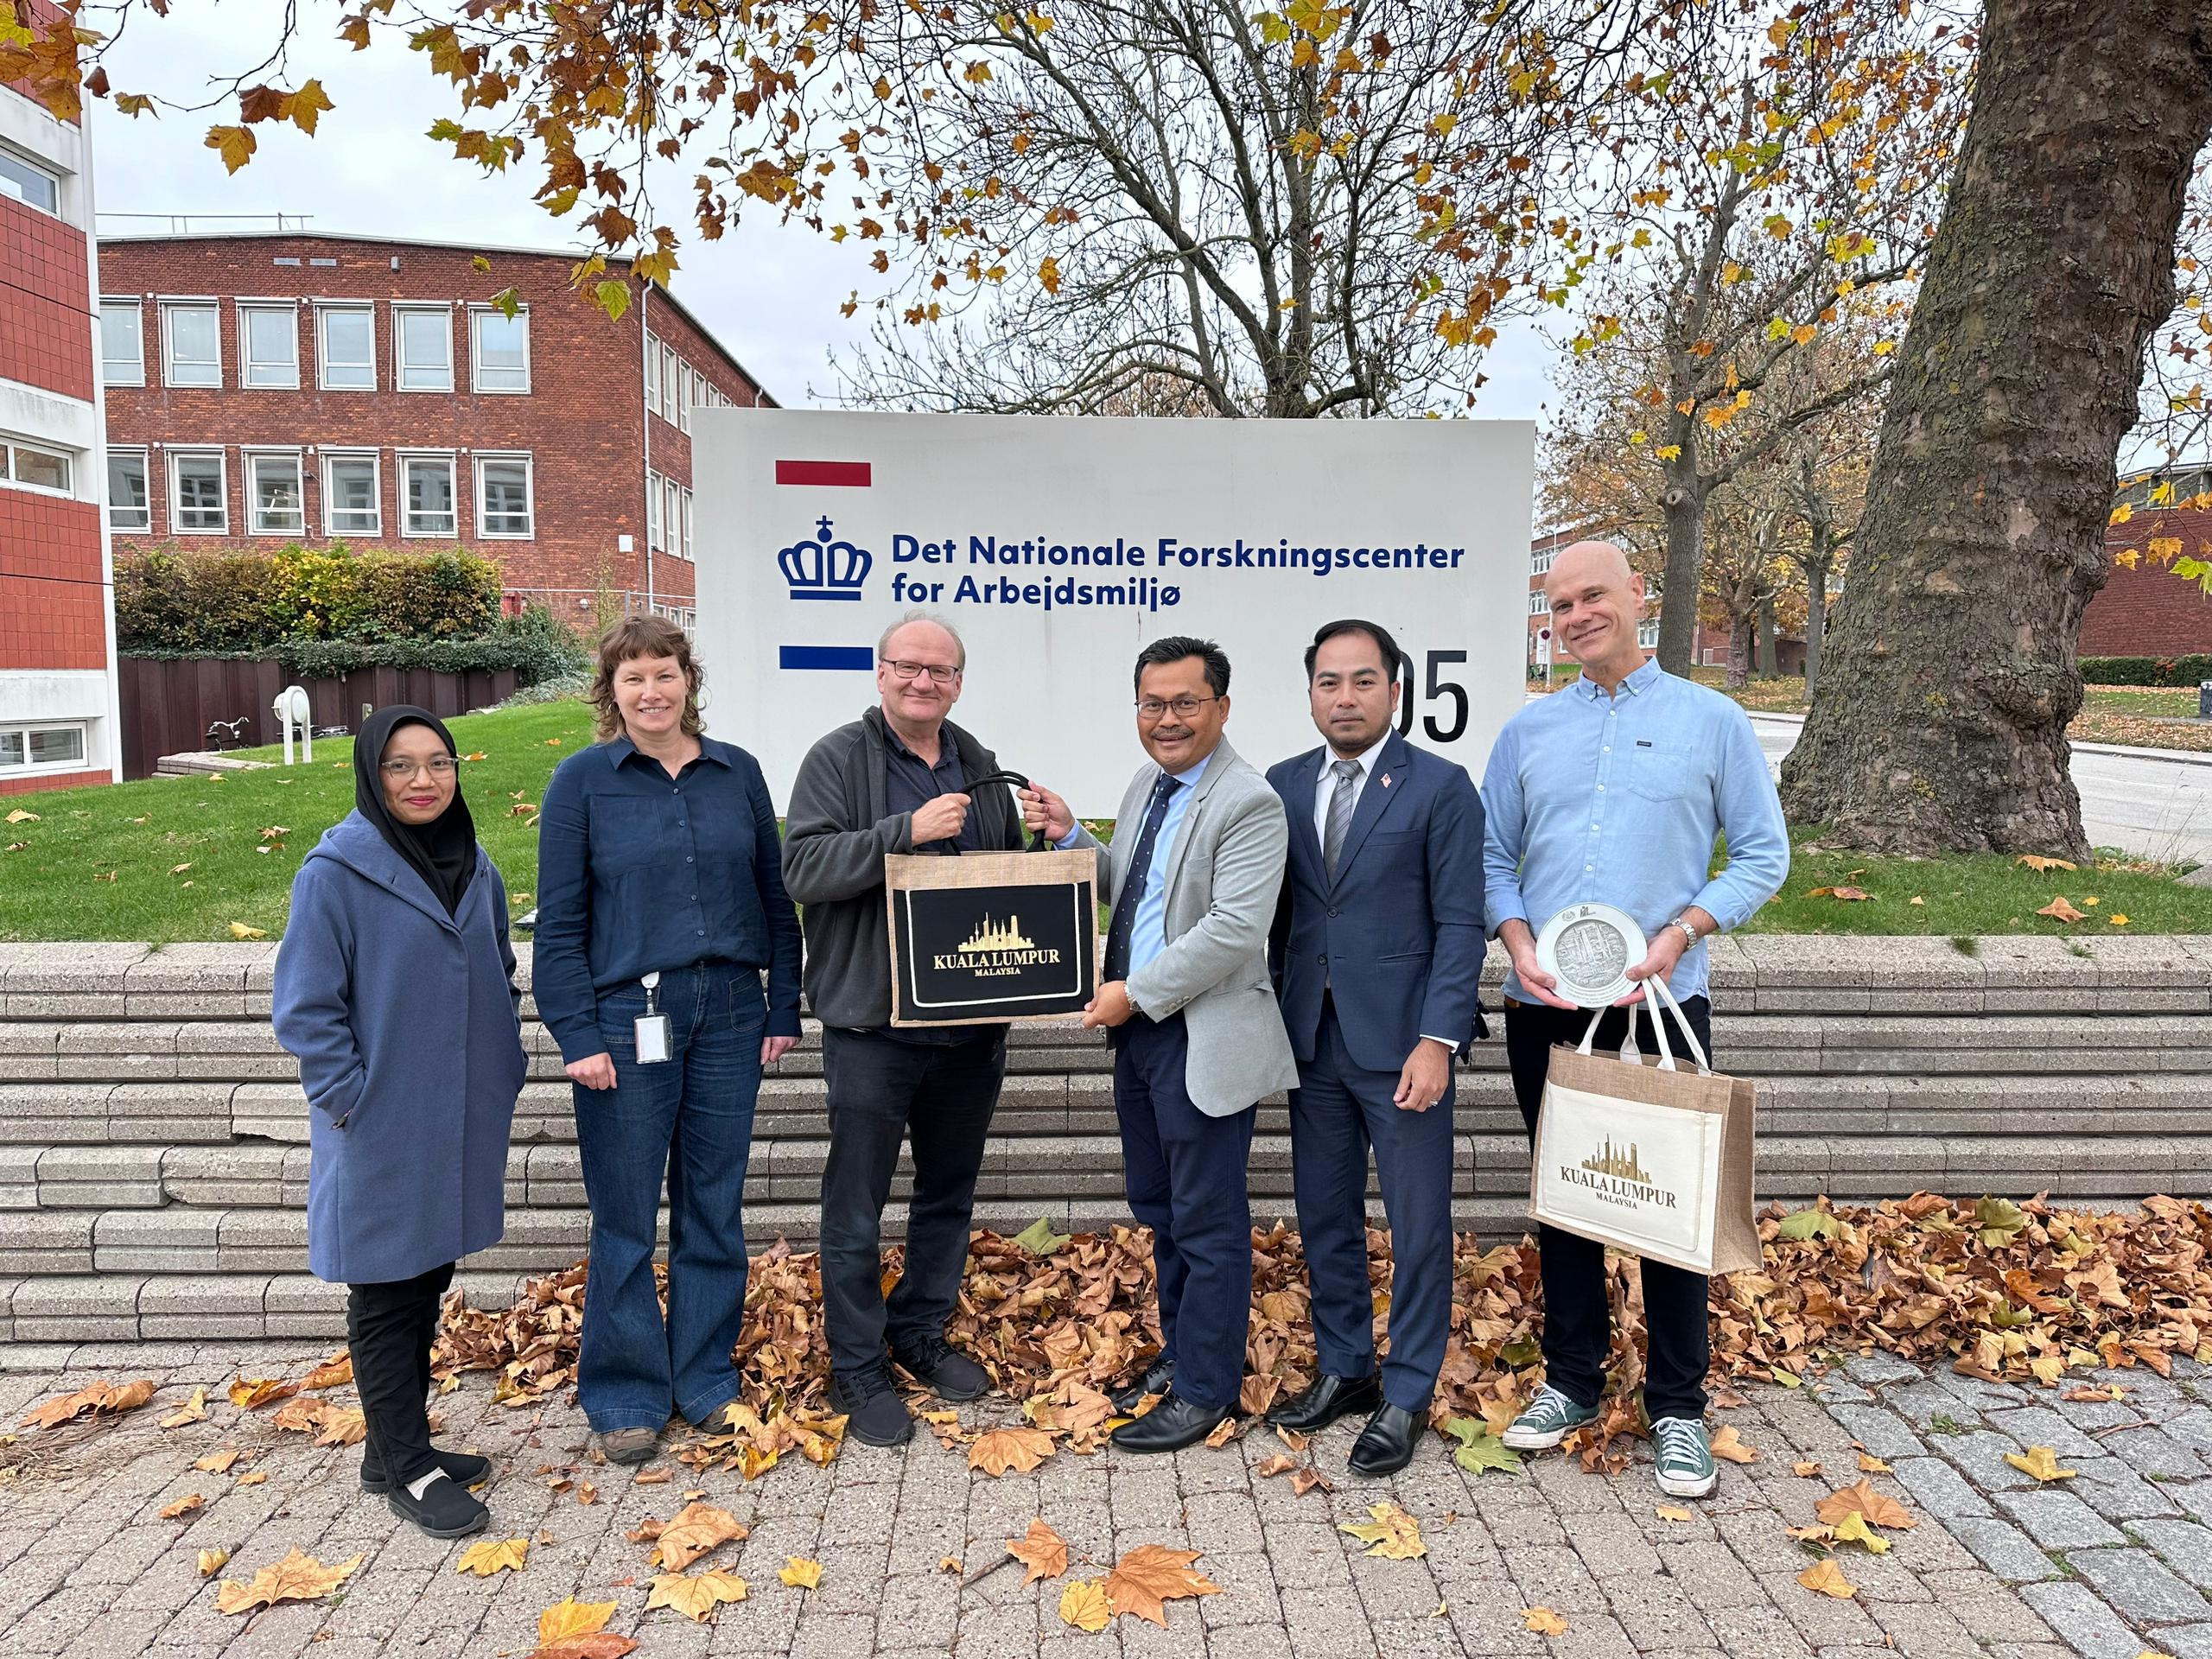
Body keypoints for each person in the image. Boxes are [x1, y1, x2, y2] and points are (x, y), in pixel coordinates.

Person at [1482, 541, 1789, 1499]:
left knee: (1667, 1207)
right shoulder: (1525, 735)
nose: (1575, 615)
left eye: (1592, 597)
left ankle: (1679, 1409)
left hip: (1660, 1006)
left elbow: (1762, 858)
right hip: (1547, 1008)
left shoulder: (1713, 722)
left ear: (1636, 598)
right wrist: (1518, 941)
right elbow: (1493, 857)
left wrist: (1683, 930)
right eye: (1561, 604)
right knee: (1568, 1202)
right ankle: (1570, 1381)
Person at [783, 612, 1078, 1448]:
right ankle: (858, 1367)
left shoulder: (977, 761)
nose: (923, 682)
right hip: (874, 1026)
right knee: (855, 1205)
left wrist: (1049, 837)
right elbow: (802, 867)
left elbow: (1001, 885)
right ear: (879, 673)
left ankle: (918, 1333)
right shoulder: (837, 759)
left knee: (945, 1196)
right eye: (907, 667)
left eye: (939, 672)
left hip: (967, 1026)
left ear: (957, 683)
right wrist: (900, 836)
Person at [533, 616, 802, 1465]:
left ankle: (704, 1379)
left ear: (689, 678)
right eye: (632, 678)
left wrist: (784, 1005)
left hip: (730, 1010)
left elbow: (774, 895)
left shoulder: (739, 774)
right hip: (625, 1020)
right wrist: (577, 1030)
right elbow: (559, 924)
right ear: (610, 694)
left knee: (712, 1205)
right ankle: (624, 1393)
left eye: (664, 673)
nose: (651, 692)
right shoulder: (583, 783)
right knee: (624, 1216)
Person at [1030, 636, 1298, 1453]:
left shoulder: (1249, 801)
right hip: (1142, 1041)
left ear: (1222, 705)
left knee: (1207, 1218)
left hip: (1198, 1036)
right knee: (1161, 1208)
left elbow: (1232, 932)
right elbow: (1136, 890)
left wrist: (1132, 993)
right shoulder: (1151, 781)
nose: (1167, 718)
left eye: (1186, 702)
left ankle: (1208, 1390)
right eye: (1153, 703)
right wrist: (1077, 837)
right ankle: (1183, 1357)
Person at [272, 706, 527, 1539]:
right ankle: (407, 1472)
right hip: (380, 1120)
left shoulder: (474, 864)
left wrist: (504, 1057)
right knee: (385, 1289)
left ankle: (390, 1450)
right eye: (400, 766)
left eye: (439, 763)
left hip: (456, 1117)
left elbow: (498, 961)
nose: (423, 781)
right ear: (371, 777)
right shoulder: (334, 873)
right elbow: (306, 1009)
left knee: (427, 1279)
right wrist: (352, 1098)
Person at [1262, 620, 1487, 1476]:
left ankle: (1406, 1389)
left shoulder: (1438, 786)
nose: (1344, 697)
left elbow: (1460, 923)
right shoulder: (1280, 785)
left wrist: (1439, 1039)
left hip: (1402, 1047)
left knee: (1419, 1223)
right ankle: (1346, 1367)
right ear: (1311, 692)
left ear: (1396, 690)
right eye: (1328, 682)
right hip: (1309, 1042)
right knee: (1324, 1218)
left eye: (1362, 681)